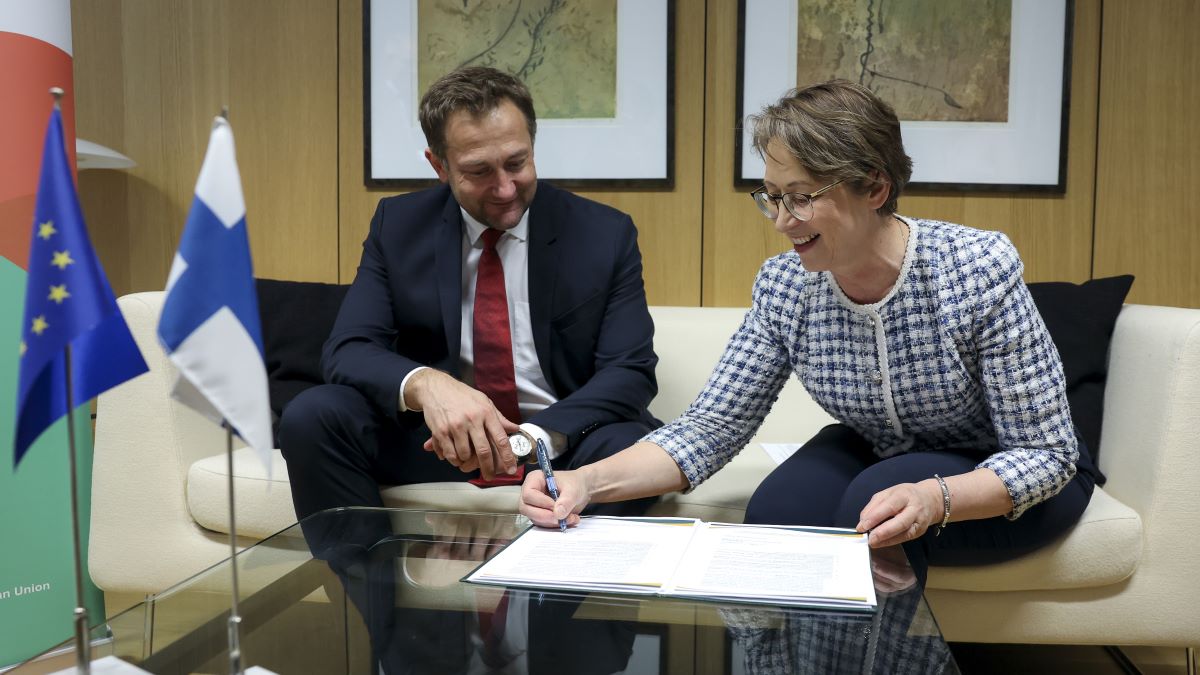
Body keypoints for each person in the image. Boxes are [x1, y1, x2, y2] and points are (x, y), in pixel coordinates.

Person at [520, 80, 1097, 584]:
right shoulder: (786, 287)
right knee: (778, 511)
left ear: (874, 188)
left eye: (799, 199)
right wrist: (585, 482)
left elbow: (1046, 454)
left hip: (1012, 473)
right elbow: (711, 428)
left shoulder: (973, 269)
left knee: (870, 501)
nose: (780, 221)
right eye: (771, 198)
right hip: (883, 453)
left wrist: (934, 497)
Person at [280, 66, 661, 520]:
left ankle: (546, 570)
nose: (505, 188)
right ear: (439, 166)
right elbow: (348, 348)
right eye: (479, 171)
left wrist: (531, 438)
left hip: (560, 444)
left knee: (632, 450)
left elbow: (630, 371)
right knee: (313, 415)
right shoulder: (398, 226)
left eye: (517, 162)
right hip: (440, 444)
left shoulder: (603, 234)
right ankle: (370, 569)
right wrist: (428, 385)